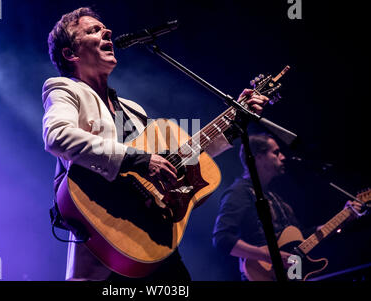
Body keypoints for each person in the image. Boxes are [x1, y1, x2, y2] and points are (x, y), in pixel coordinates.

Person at [42, 7, 269, 281]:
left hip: (153, 237)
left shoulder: (131, 109)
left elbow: (179, 158)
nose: (107, 32)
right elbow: (57, 135)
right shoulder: (66, 89)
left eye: (105, 28)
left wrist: (234, 124)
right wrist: (140, 159)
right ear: (71, 54)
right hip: (108, 248)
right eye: (93, 30)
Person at [212, 133, 363, 280]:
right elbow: (222, 238)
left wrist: (342, 218)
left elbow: (301, 237)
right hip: (263, 274)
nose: (283, 157)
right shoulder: (239, 192)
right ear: (258, 158)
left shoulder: (273, 196)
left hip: (292, 273)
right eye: (276, 153)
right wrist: (270, 256)